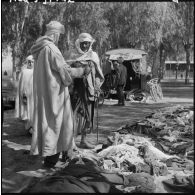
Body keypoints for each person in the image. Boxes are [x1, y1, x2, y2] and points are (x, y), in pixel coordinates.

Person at [30, 21, 90, 168]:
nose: (59, 38)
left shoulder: (39, 49)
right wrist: (81, 71)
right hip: (55, 95)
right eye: (59, 35)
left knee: (51, 125)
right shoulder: (52, 49)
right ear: (55, 34)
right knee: (56, 125)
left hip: (45, 93)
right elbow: (65, 73)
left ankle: (62, 154)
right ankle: (51, 161)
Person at [69, 33, 104, 149]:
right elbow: (66, 73)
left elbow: (99, 75)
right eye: (83, 43)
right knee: (73, 117)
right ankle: (71, 142)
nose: (85, 45)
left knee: (88, 117)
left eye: (87, 43)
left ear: (90, 44)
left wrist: (97, 87)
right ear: (78, 43)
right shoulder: (73, 56)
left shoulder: (93, 56)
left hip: (89, 92)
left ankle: (83, 140)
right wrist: (80, 71)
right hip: (74, 92)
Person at [15, 55, 34, 134]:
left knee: (34, 112)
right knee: (27, 112)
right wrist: (23, 93)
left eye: (32, 62)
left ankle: (33, 128)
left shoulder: (38, 72)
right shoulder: (24, 72)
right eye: (28, 62)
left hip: (35, 96)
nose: (30, 63)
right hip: (26, 95)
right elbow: (21, 84)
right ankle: (29, 128)